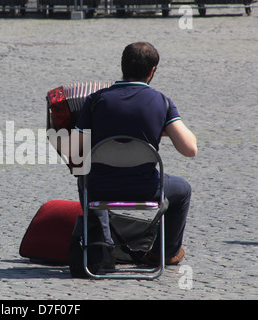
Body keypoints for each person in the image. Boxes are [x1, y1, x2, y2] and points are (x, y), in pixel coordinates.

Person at [72, 42, 197, 266]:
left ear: (122, 66)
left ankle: (104, 247)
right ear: (152, 71)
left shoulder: (95, 101)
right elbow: (190, 149)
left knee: (85, 179)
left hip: (101, 187)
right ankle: (165, 253)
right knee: (183, 189)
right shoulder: (162, 102)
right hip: (146, 188)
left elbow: (75, 153)